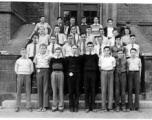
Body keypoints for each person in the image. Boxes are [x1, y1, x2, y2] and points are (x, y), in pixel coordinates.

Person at [14, 48, 34, 112]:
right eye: (23, 52)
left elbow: (32, 69)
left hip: (27, 75)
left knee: (28, 91)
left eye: (25, 52)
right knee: (18, 91)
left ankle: (29, 106)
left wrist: (28, 73)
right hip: (20, 75)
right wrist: (19, 74)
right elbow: (16, 69)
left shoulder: (29, 60)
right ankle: (17, 106)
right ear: (21, 53)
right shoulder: (18, 60)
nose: (24, 53)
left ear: (26, 53)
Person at [33, 44, 51, 112]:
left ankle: (45, 106)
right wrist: (37, 71)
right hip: (39, 70)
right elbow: (35, 64)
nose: (43, 49)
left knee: (45, 87)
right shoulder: (37, 56)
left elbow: (49, 64)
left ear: (46, 49)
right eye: (41, 48)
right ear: (39, 49)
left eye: (44, 48)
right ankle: (40, 105)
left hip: (46, 70)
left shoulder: (48, 56)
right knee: (39, 88)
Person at [65, 45, 82, 112]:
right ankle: (71, 106)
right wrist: (69, 73)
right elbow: (66, 68)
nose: (74, 49)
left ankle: (76, 106)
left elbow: (81, 66)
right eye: (73, 48)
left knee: (77, 91)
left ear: (77, 49)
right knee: (71, 91)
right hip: (70, 75)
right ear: (71, 49)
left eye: (75, 48)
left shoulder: (80, 58)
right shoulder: (68, 58)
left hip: (78, 74)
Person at [99, 46, 116, 112]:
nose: (106, 52)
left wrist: (110, 72)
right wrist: (104, 72)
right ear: (103, 51)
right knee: (103, 90)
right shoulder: (101, 58)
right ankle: (104, 107)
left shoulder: (112, 58)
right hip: (103, 72)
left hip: (111, 72)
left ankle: (110, 107)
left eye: (108, 50)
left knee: (110, 90)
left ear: (109, 51)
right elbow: (100, 67)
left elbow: (114, 67)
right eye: (105, 50)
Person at [83, 42, 99, 113]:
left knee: (93, 90)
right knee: (86, 90)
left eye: (91, 46)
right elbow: (82, 65)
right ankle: (87, 106)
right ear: (87, 47)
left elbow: (97, 65)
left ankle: (93, 106)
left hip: (93, 73)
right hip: (86, 73)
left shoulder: (95, 55)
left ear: (93, 47)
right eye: (88, 46)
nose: (90, 47)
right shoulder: (84, 56)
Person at [50, 47, 65, 112]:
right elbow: (50, 67)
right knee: (54, 89)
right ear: (55, 52)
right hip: (54, 73)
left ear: (60, 52)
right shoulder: (52, 59)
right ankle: (54, 105)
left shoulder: (62, 59)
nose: (58, 53)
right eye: (57, 52)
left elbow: (65, 67)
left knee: (61, 89)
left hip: (61, 73)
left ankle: (61, 105)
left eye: (59, 52)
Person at [127, 48, 142, 112]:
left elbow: (140, 68)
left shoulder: (138, 60)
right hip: (130, 73)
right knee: (130, 90)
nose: (133, 53)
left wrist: (139, 76)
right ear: (130, 53)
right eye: (132, 52)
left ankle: (137, 106)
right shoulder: (128, 60)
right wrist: (128, 76)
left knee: (137, 90)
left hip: (136, 73)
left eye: (134, 52)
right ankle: (130, 106)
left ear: (136, 53)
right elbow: (127, 68)